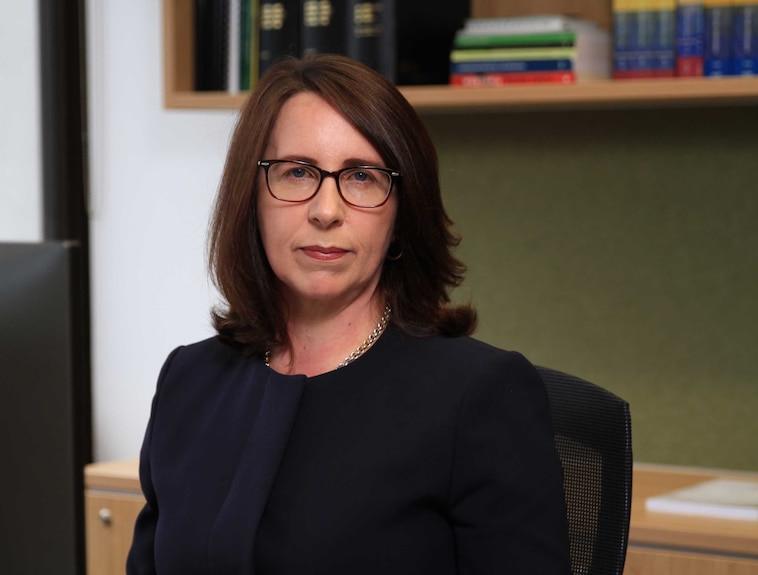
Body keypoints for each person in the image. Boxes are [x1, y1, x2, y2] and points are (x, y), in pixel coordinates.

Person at [126, 54, 570, 575]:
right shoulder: (190, 381)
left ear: (402, 211)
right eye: (297, 172)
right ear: (252, 197)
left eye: (361, 177)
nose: (327, 210)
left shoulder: (479, 396)